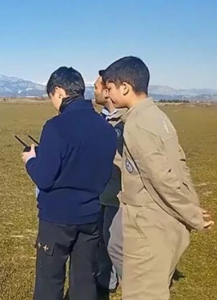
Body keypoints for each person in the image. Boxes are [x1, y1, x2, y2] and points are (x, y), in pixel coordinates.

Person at [102, 56, 214, 299]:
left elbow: (160, 178)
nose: (107, 95)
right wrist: (191, 203)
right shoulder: (156, 117)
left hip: (149, 225)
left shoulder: (137, 125)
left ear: (125, 87)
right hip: (158, 223)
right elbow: (180, 164)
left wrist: (193, 214)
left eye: (109, 88)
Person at [23, 66, 117, 300]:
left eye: (51, 98)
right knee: (84, 280)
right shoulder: (106, 129)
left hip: (57, 218)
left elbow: (44, 178)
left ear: (59, 92)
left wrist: (30, 160)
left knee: (49, 280)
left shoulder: (55, 127)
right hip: (90, 216)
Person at [93, 70, 124, 293]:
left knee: (115, 242)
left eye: (96, 87)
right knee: (102, 239)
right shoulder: (101, 119)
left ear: (108, 90)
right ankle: (106, 281)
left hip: (118, 194)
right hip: (100, 192)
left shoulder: (126, 123)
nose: (93, 91)